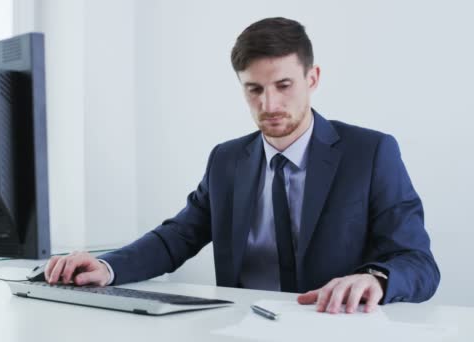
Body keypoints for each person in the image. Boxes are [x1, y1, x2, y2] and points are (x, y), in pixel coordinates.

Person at [45, 17, 440, 314]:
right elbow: (177, 237)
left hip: (331, 328)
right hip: (242, 327)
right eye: (254, 89)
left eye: (283, 86)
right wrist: (106, 266)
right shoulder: (227, 160)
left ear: (312, 78)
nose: (269, 105)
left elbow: (418, 263)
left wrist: (374, 279)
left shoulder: (369, 153)